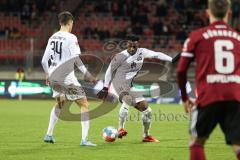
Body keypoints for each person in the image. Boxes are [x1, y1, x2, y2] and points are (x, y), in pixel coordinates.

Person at [177, 0, 240, 159]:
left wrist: (185, 98)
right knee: (237, 144)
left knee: (197, 141)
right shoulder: (238, 38)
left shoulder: (197, 36)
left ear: (207, 13)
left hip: (208, 97)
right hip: (235, 97)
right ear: (229, 13)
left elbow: (181, 70)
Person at [98, 34, 176, 142]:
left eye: (134, 47)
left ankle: (146, 136)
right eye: (129, 46)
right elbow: (109, 71)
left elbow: (157, 55)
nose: (131, 49)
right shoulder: (120, 56)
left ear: (137, 45)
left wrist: (172, 59)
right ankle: (120, 128)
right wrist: (105, 88)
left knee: (147, 110)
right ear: (126, 44)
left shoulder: (142, 52)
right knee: (128, 99)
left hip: (129, 87)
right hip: (117, 85)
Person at [41, 11, 97, 147]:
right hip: (66, 77)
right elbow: (76, 59)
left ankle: (48, 134)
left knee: (60, 104)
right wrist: (87, 74)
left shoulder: (52, 37)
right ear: (71, 23)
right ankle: (84, 139)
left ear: (60, 22)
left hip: (53, 75)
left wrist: (47, 74)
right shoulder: (71, 38)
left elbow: (44, 60)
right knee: (84, 104)